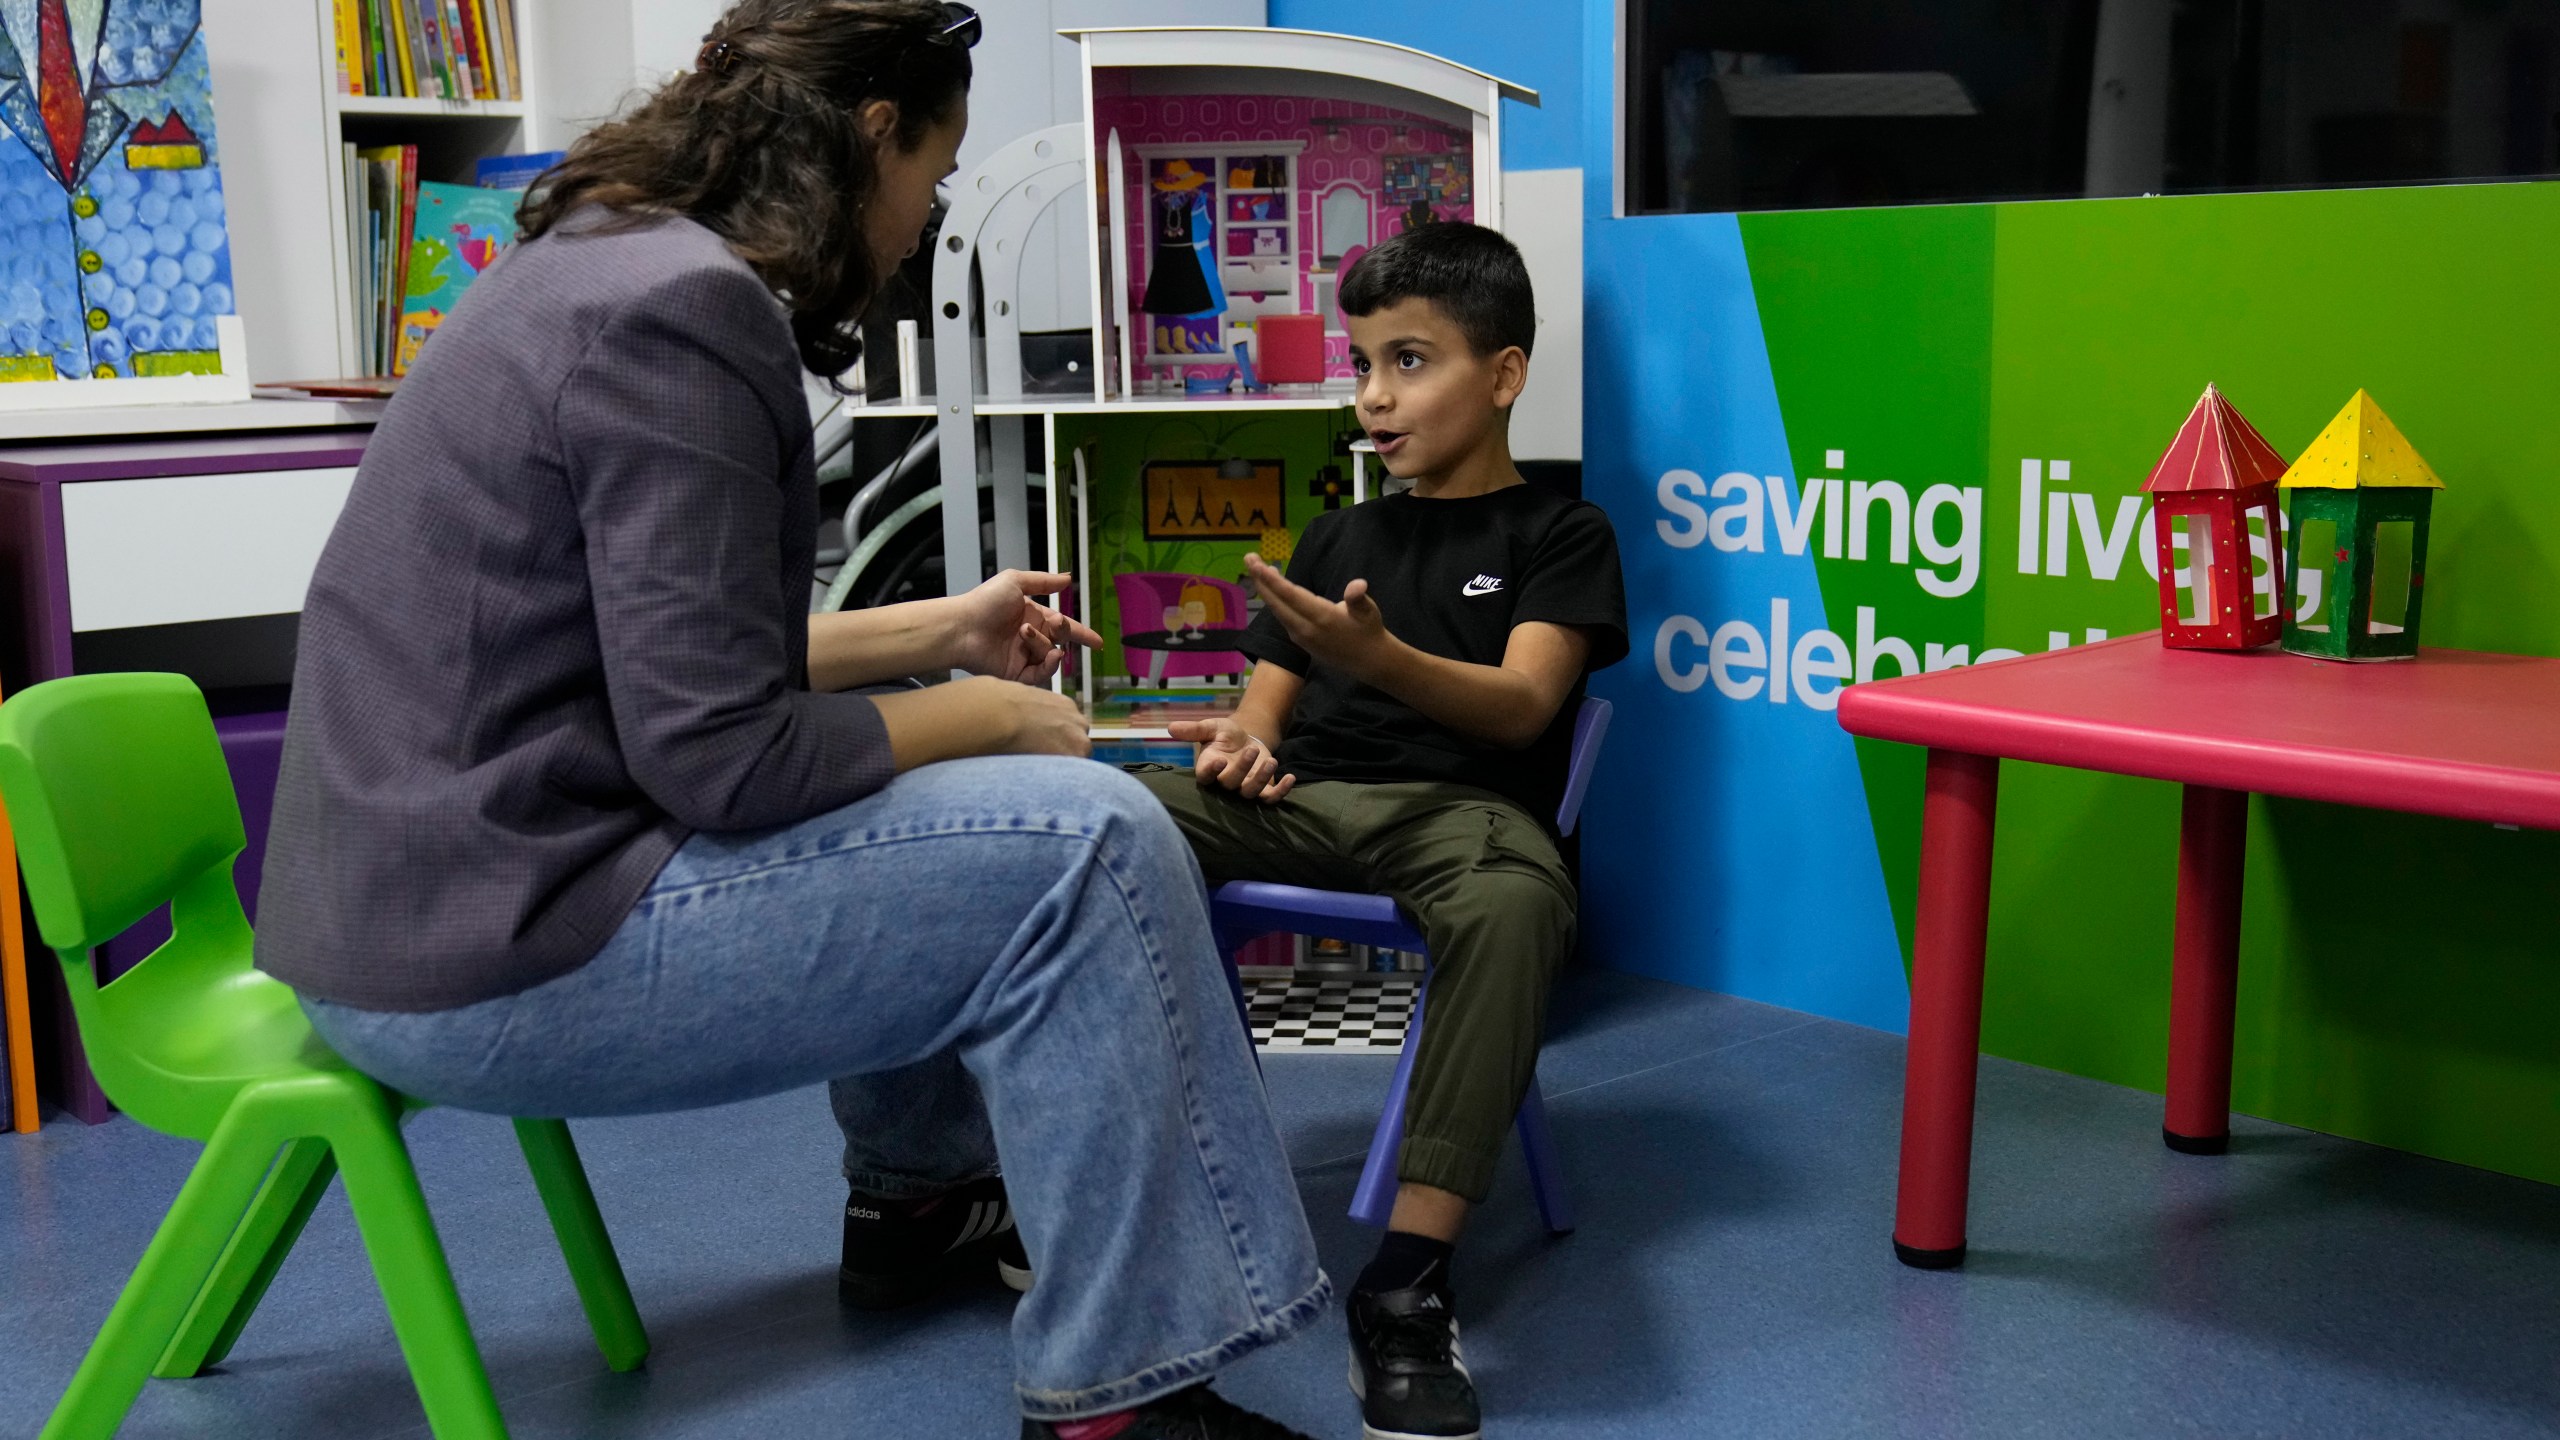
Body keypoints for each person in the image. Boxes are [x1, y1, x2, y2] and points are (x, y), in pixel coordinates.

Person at [254, 4, 1327, 1435]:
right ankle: (1126, 1396)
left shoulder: (598, 257)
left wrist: (937, 635)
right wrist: (996, 717)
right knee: (1090, 843)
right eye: (935, 178)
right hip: (490, 955)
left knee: (932, 761)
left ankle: (921, 1196)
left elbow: (658, 652)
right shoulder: (683, 314)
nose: (927, 219)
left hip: (409, 902)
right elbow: (724, 756)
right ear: (870, 135)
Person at [1133, 223, 1628, 1440]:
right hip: (1299, 809)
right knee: (1086, 814)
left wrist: (1381, 658)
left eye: (1409, 361)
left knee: (1519, 905)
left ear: (1503, 374)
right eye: (1362, 365)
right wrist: (1242, 744)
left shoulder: (1563, 534)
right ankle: (1108, 1195)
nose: (1372, 395)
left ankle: (1405, 1285)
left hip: (1465, 819)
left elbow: (1522, 708)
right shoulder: (1340, 536)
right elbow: (1261, 711)